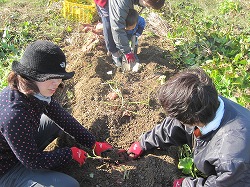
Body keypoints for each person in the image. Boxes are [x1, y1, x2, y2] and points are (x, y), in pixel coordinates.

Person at [0, 40, 123, 187]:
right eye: (51, 78)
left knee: (53, 122)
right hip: (6, 168)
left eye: (59, 77)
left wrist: (93, 143)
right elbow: (33, 161)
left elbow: (61, 117)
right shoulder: (15, 115)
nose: (57, 83)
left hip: (19, 147)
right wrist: (69, 153)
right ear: (31, 76)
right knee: (69, 185)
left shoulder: (34, 91)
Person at [127, 67, 250, 186]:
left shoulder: (230, 158)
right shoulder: (205, 102)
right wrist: (144, 143)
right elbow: (174, 125)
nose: (176, 120)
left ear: (194, 120)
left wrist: (187, 184)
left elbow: (224, 184)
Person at [94, 0, 165, 67]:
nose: (147, 7)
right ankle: (114, 52)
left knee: (123, 21)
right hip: (105, 2)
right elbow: (117, 28)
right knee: (109, 24)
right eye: (148, 6)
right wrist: (127, 52)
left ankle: (120, 46)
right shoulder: (121, 5)